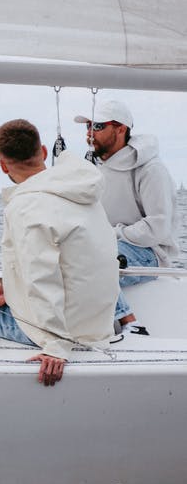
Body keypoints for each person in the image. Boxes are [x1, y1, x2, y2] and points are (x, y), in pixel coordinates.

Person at [0, 119, 118, 386]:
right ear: (43, 151)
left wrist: (55, 347)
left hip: (65, 332)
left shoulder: (26, 206)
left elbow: (40, 277)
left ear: (2, 165)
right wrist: (8, 288)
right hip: (99, 322)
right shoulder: (83, 191)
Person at [74, 100, 180, 335]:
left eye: (98, 126)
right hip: (108, 246)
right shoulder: (95, 167)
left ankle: (130, 324)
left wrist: (110, 234)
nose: (90, 133)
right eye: (88, 126)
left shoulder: (151, 170)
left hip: (150, 253)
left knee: (90, 261)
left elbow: (158, 228)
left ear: (121, 129)